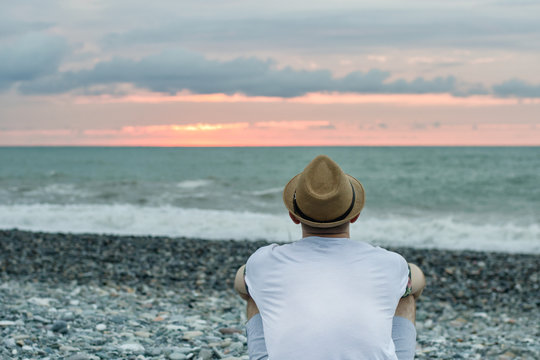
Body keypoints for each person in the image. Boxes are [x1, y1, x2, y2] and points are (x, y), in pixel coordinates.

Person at [234, 155, 426, 360]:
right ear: (355, 215)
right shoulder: (389, 263)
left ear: (293, 216)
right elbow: (418, 281)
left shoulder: (263, 261)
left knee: (254, 291)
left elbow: (240, 284)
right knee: (405, 295)